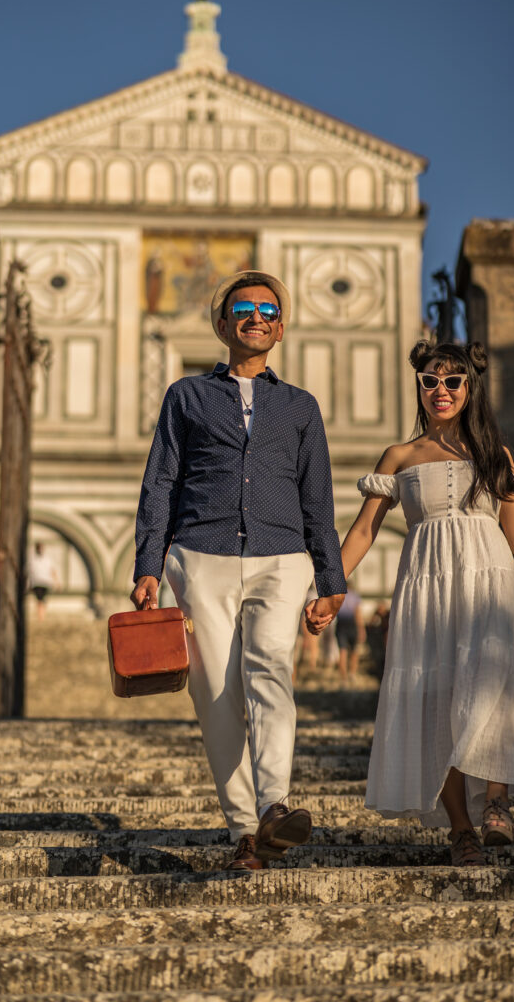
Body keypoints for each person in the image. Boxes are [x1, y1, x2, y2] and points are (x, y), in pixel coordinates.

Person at [309, 340, 514, 867]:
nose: (441, 390)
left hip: (491, 583)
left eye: (452, 381)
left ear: (469, 388)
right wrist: (330, 588)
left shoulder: (497, 457)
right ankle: (461, 830)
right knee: (436, 698)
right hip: (426, 586)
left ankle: (498, 800)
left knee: (496, 683)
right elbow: (362, 532)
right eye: (431, 381)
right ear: (420, 389)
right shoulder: (398, 457)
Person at [131, 270, 346, 872]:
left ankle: (275, 803)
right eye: (245, 309)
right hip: (202, 554)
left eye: (269, 311)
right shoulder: (186, 396)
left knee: (270, 670)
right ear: (223, 324)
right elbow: (161, 483)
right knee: (216, 692)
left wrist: (330, 581)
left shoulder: (301, 406)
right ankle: (244, 830)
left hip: (282, 556)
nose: (257, 318)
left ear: (281, 328)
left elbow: (317, 499)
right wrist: (149, 563)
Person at [334, 582, 365, 686]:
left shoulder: (338, 595)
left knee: (342, 651)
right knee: (354, 650)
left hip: (341, 623)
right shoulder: (355, 596)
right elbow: (358, 613)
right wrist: (361, 629)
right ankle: (352, 673)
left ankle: (343, 678)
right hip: (352, 624)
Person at [27, 543, 60, 622]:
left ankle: (41, 616)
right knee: (40, 600)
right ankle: (41, 616)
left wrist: (56, 582)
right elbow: (29, 572)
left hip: (45, 582)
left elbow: (52, 571)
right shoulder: (33, 559)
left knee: (42, 600)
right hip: (37, 582)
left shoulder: (47, 559)